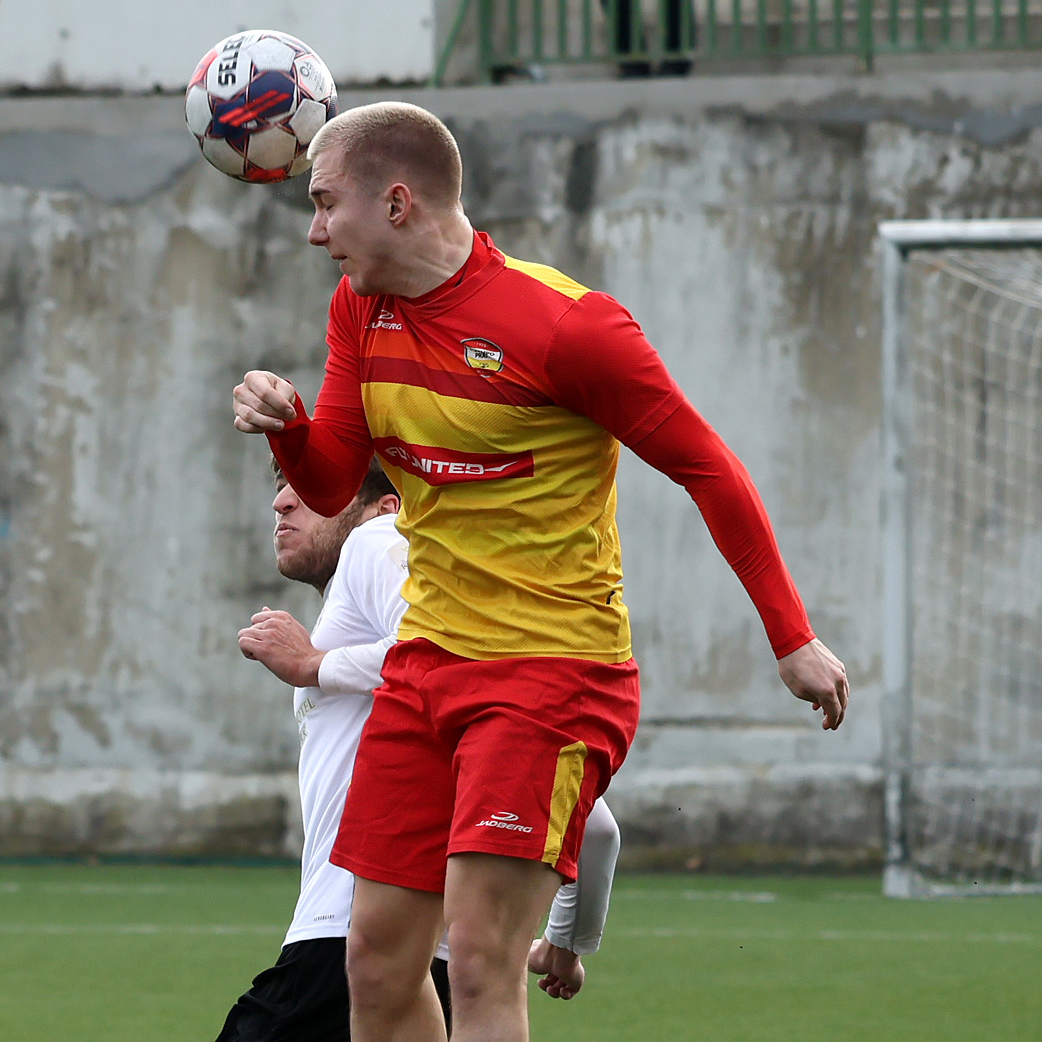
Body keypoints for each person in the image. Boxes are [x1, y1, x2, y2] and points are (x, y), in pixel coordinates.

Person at [230, 101, 848, 1042]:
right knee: (374, 964)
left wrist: (791, 637)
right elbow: (330, 482)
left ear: (395, 203)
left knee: (480, 962)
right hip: (426, 663)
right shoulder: (359, 307)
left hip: (550, 674)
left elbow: (708, 468)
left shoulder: (567, 326)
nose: (314, 232)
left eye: (323, 204)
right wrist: (289, 425)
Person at [217, 459, 622, 1041]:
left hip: (349, 952)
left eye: (311, 488)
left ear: (389, 507)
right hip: (431, 973)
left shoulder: (376, 540)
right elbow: (595, 826)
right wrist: (567, 940)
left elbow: (435, 652)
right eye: (281, 485)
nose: (282, 502)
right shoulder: (460, 683)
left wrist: (314, 664)